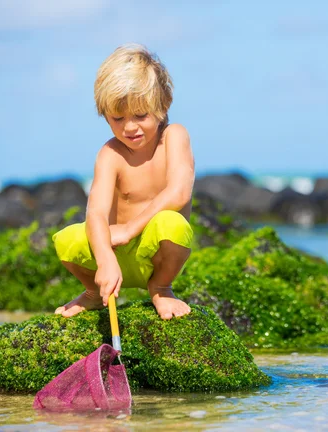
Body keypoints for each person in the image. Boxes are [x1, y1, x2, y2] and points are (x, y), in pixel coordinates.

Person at [53, 44, 194, 320]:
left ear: (163, 107)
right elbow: (96, 212)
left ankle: (161, 287)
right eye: (118, 118)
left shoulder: (174, 137)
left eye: (140, 115)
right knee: (66, 239)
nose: (130, 127)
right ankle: (93, 292)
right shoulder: (110, 154)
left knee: (173, 225)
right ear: (105, 116)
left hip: (156, 256)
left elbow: (178, 193)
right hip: (114, 255)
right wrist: (104, 258)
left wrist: (130, 228)